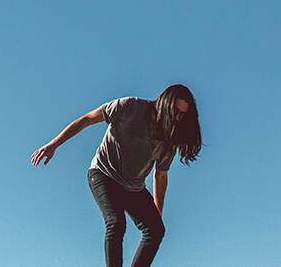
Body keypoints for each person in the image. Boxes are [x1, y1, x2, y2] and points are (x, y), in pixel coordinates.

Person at [31, 84, 202, 267]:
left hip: (133, 186)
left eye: (182, 115)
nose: (177, 118)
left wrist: (156, 213)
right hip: (104, 174)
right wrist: (54, 145)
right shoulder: (130, 107)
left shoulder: (169, 141)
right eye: (175, 111)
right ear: (164, 104)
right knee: (116, 223)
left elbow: (160, 176)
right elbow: (88, 119)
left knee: (156, 230)